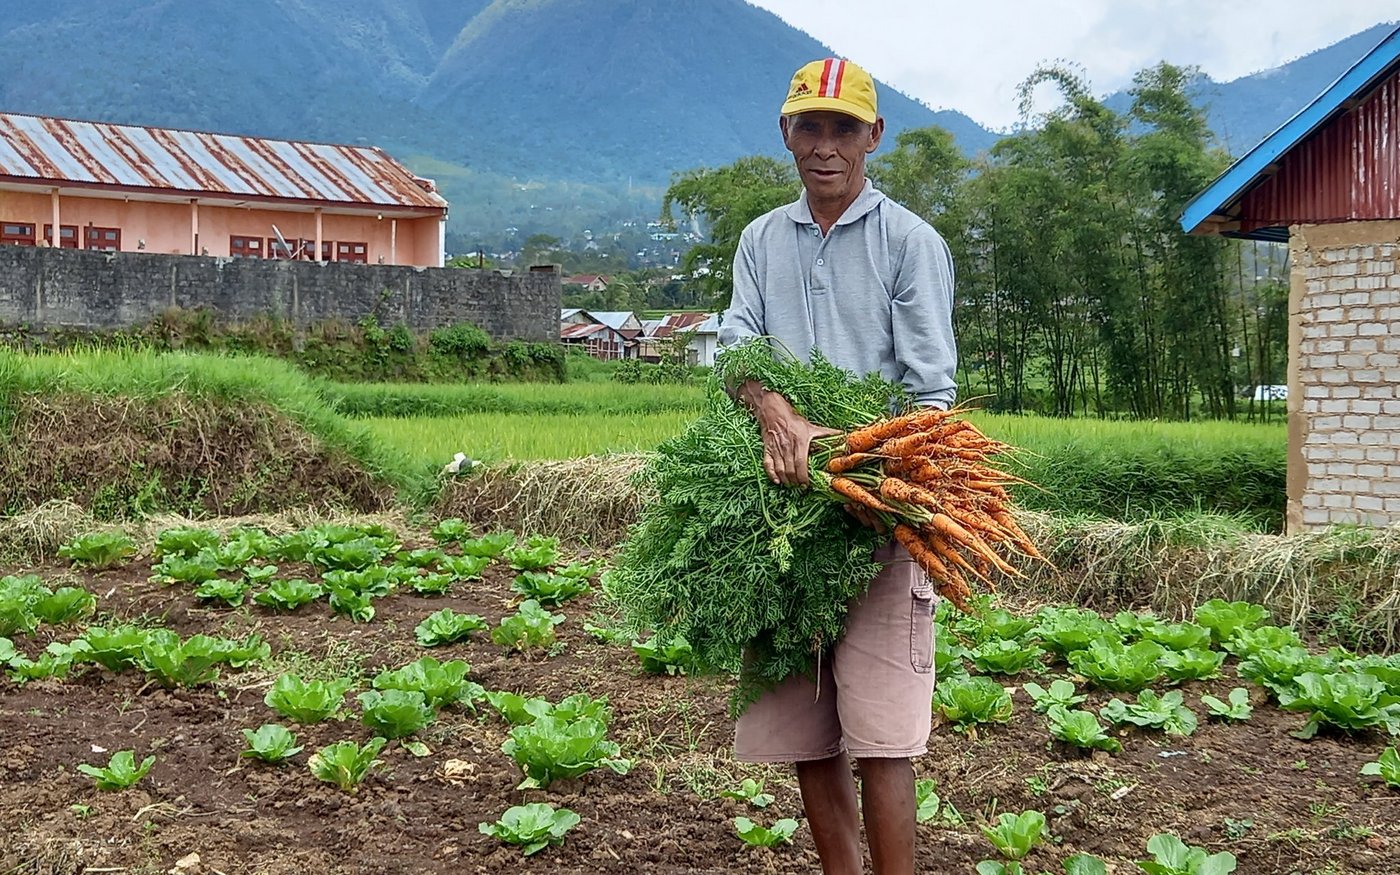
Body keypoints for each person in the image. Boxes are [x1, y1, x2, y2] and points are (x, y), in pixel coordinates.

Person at [717, 57, 958, 875]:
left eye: (844, 128)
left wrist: (852, 455)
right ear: (786, 133)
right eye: (810, 127)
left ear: (873, 136)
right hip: (781, 522)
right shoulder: (761, 241)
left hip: (876, 516)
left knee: (884, 738)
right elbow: (739, 348)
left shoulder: (909, 243)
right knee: (805, 731)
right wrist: (774, 410)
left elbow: (932, 398)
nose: (826, 145)